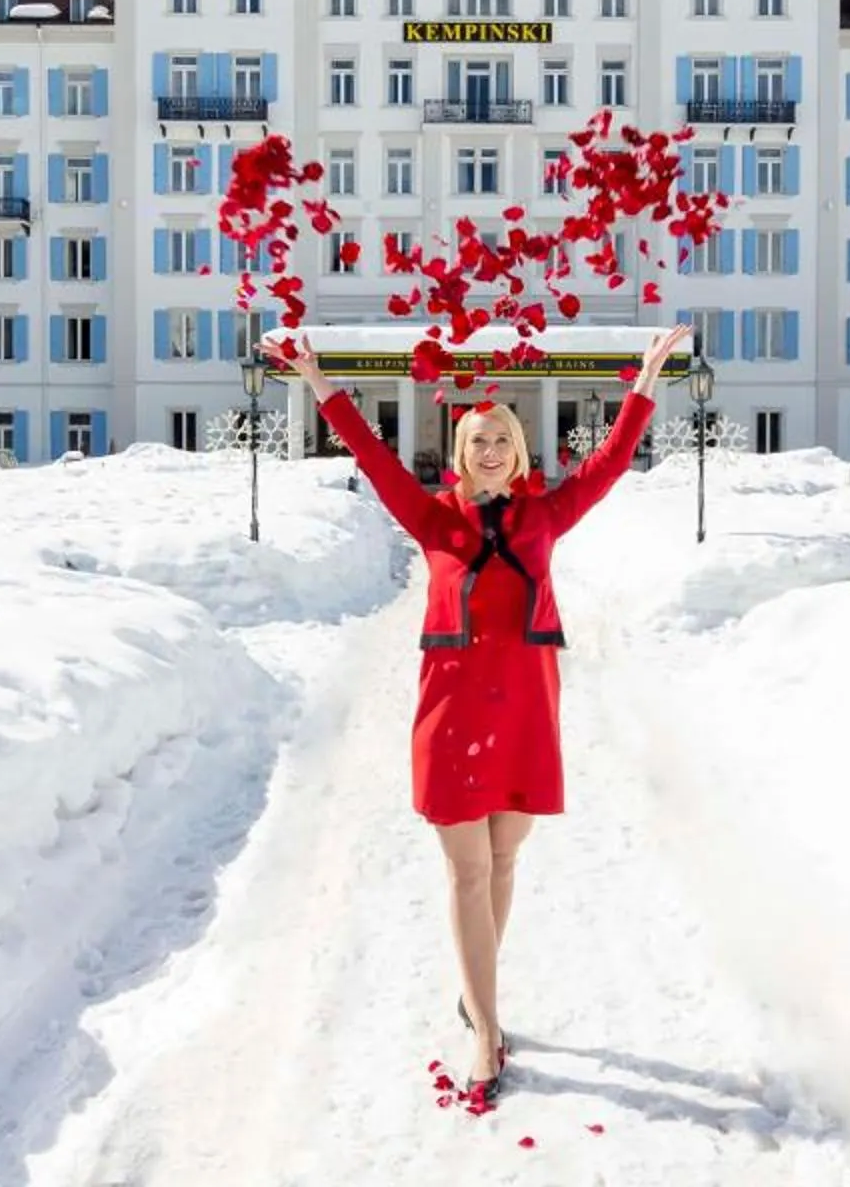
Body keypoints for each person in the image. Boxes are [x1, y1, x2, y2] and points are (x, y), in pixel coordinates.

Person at [282, 325, 690, 1105]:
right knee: (468, 870)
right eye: (478, 440)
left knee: (503, 863)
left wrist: (644, 379)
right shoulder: (434, 520)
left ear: (520, 450)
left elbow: (606, 469)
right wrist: (319, 382)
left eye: (503, 437)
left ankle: (478, 995)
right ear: (461, 454)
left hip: (528, 710)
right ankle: (485, 1032)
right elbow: (372, 457)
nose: (492, 449)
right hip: (453, 710)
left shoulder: (547, 517)